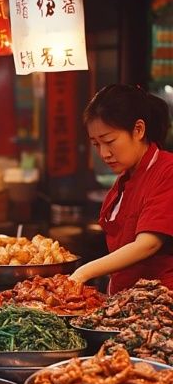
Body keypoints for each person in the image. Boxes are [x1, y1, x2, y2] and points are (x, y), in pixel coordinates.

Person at [69, 84, 173, 294]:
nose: (104, 153)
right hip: (122, 300)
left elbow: (148, 244)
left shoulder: (167, 171)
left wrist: (83, 272)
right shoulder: (124, 179)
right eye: (96, 144)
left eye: (109, 141)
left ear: (138, 130)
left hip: (159, 303)